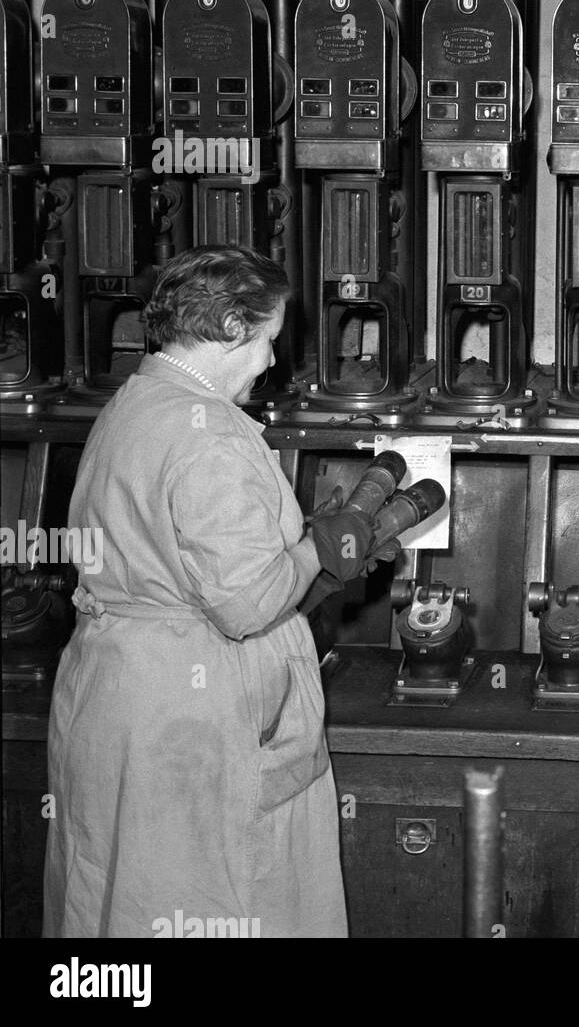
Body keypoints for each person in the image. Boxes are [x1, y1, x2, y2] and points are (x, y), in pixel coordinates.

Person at [43, 245, 378, 938]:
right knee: (214, 895)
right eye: (267, 340)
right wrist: (320, 547)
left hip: (116, 695)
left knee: (120, 897)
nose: (270, 361)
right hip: (190, 720)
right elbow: (248, 603)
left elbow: (183, 561)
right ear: (229, 328)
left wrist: (297, 553)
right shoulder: (213, 434)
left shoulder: (135, 401)